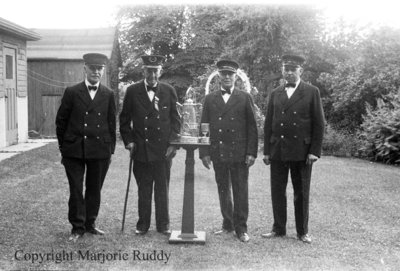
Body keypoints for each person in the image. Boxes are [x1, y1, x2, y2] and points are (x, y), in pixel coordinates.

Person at [261, 54, 325, 244]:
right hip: (278, 150)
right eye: (285, 69)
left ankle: (302, 231)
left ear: (300, 71)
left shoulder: (312, 91)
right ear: (282, 71)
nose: (288, 72)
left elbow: (319, 124)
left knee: (301, 192)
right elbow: (268, 124)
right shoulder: (275, 93)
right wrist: (266, 151)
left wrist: (314, 150)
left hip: (302, 151)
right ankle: (278, 228)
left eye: (292, 69)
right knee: (277, 191)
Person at [55, 53, 116, 242]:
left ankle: (90, 224)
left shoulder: (108, 94)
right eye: (92, 68)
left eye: (99, 69)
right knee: (76, 189)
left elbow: (111, 123)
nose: (96, 72)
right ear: (85, 69)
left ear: (103, 71)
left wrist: (110, 149)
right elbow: (61, 121)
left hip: (99, 149)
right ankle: (77, 228)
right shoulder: (72, 92)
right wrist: (64, 147)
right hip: (74, 150)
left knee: (94, 189)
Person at [119, 54, 180, 235]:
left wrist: (173, 144)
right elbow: (124, 120)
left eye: (155, 71)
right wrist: (129, 141)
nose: (152, 75)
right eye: (149, 71)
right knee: (144, 189)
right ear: (143, 71)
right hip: (141, 150)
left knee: (162, 188)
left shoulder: (169, 91)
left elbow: (176, 121)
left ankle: (163, 225)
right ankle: (142, 225)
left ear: (160, 71)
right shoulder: (132, 91)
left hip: (163, 151)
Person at [199, 59, 258, 243]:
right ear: (218, 76)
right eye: (223, 74)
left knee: (240, 190)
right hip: (218, 151)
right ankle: (227, 223)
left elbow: (252, 127)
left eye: (230, 74)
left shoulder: (245, 97)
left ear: (235, 77)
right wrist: (204, 153)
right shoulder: (210, 99)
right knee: (223, 188)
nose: (226, 77)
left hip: (239, 152)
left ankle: (241, 228)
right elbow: (204, 126)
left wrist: (251, 152)